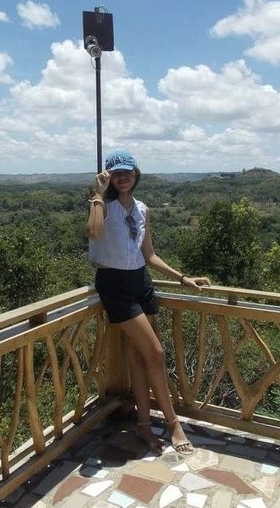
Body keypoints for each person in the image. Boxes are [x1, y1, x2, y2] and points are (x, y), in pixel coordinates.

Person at [87, 149, 211, 455]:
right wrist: (98, 194)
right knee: (155, 353)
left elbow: (149, 254)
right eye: (116, 173)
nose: (123, 177)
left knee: (140, 357)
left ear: (136, 174)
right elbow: (93, 231)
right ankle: (172, 424)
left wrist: (183, 278)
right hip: (114, 284)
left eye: (127, 172)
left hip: (141, 281)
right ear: (109, 178)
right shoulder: (102, 206)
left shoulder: (143, 209)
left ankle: (143, 426)